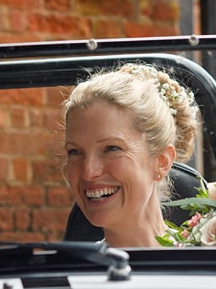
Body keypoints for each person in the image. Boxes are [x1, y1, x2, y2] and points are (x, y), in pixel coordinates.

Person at [62, 63, 200, 248]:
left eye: (111, 148)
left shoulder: (215, 263)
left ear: (161, 162)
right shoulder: (72, 273)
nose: (89, 172)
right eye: (75, 152)